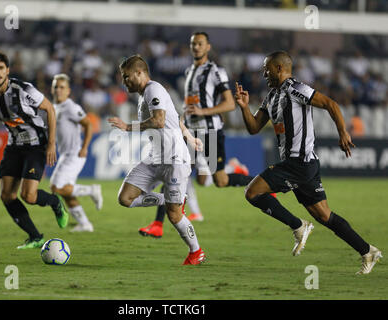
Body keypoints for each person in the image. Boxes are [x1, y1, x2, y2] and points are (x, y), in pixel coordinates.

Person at [234, 50, 382, 274]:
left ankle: (298, 225)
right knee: (324, 215)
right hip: (304, 165)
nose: (264, 73)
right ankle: (367, 251)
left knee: (252, 193)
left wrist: (343, 132)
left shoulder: (296, 88)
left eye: (267, 68)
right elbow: (254, 127)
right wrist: (244, 107)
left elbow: (330, 104)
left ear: (279, 68)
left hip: (299, 163)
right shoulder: (271, 97)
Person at [139, 32, 255, 238]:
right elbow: (191, 103)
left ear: (208, 47)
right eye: (193, 44)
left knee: (218, 180)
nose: (196, 47)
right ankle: (157, 224)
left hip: (210, 131)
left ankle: (256, 180)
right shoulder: (189, 71)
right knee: (174, 171)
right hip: (191, 132)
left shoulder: (216, 71)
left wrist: (202, 112)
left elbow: (229, 103)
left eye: (200, 44)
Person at [108, 55, 206, 265]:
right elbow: (174, 117)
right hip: (155, 157)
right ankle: (170, 200)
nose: (124, 81)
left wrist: (128, 127)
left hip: (175, 159)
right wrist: (188, 136)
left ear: (140, 73)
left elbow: (159, 121)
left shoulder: (153, 89)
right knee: (125, 198)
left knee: (174, 216)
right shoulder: (145, 94)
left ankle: (196, 251)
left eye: (127, 77)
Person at [0, 48, 69, 249]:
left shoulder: (23, 89)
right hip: (14, 145)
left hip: (36, 145)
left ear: (7, 70)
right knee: (6, 195)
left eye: (1, 68)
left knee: (29, 196)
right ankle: (35, 237)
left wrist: (51, 143)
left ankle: (55, 202)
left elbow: (50, 109)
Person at [49, 73, 103, 232]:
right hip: (65, 153)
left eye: (62, 87)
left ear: (68, 91)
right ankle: (85, 224)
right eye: (56, 87)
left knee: (55, 187)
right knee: (66, 192)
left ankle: (92, 190)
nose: (58, 90)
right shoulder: (55, 107)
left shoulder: (71, 107)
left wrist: (84, 147)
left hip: (74, 153)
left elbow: (88, 125)